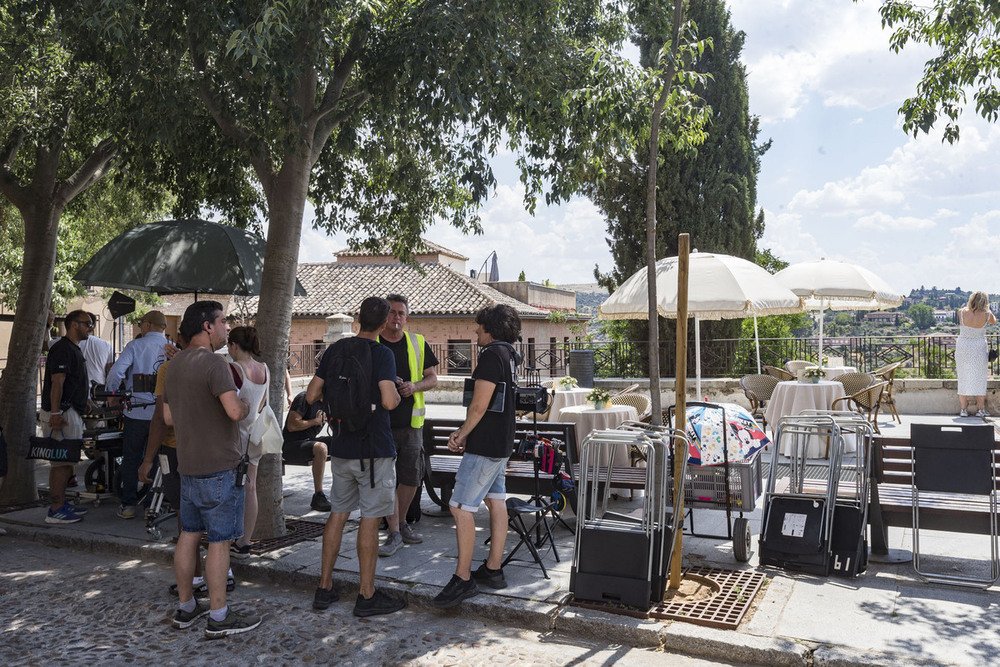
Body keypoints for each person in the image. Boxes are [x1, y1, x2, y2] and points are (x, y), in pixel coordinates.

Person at [163, 300, 260, 638]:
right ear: (206, 326)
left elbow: (168, 418)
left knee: (188, 536)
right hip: (220, 466)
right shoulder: (215, 365)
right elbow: (235, 411)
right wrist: (247, 402)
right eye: (222, 322)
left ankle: (187, 607)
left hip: (187, 466)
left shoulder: (173, 367)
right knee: (219, 542)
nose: (226, 329)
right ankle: (219, 615)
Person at [309, 296, 405, 617]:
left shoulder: (336, 350)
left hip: (342, 447)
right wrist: (393, 388)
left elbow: (311, 394)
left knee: (337, 513)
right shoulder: (382, 353)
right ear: (381, 324)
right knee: (370, 517)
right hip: (374, 450)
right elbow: (390, 403)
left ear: (357, 319)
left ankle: (324, 587)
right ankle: (366, 594)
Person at [433, 304, 521, 608]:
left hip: (484, 445)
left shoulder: (490, 356)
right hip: (501, 444)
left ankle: (463, 578)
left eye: (479, 327)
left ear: (491, 329)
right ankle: (493, 569)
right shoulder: (511, 355)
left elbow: (479, 406)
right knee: (496, 501)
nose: (475, 331)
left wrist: (461, 434)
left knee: (460, 507)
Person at [138, 332, 212, 596]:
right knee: (209, 519)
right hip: (205, 450)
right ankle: (209, 579)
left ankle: (195, 581)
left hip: (178, 450)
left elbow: (160, 418)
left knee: (187, 521)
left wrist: (147, 459)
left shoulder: (171, 368)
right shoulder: (217, 365)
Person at [377, 293, 438, 557]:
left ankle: (400, 524)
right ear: (384, 316)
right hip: (381, 424)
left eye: (401, 313)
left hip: (412, 424)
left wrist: (414, 386)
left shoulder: (417, 342)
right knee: (387, 480)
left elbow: (433, 378)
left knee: (411, 477)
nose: (396, 317)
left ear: (407, 317)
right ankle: (393, 532)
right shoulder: (374, 343)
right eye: (391, 312)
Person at [105, 310, 169, 519]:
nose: (140, 327)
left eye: (141, 324)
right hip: (161, 415)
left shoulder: (135, 346)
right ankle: (152, 505)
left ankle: (129, 504)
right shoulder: (172, 348)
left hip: (136, 413)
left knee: (131, 459)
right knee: (159, 460)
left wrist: (112, 396)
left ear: (148, 325)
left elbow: (116, 372)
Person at [39, 310, 94, 523]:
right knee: (60, 463)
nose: (90, 327)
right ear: (73, 325)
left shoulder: (72, 348)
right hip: (62, 413)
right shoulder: (62, 348)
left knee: (66, 461)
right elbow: (57, 382)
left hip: (71, 410)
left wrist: (84, 401)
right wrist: (55, 412)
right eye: (87, 323)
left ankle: (62, 503)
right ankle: (56, 508)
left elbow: (72, 381)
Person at [227, 326, 270, 559]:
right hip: (255, 435)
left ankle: (231, 537)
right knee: (250, 487)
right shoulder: (265, 369)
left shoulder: (234, 369)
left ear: (234, 345)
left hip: (235, 436)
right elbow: (261, 404)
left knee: (231, 488)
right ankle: (245, 542)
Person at [281, 391, 332, 512]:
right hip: (291, 445)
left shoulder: (328, 403)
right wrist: (315, 421)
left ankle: (346, 490)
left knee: (341, 442)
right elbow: (292, 425)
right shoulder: (304, 398)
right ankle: (318, 496)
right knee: (321, 448)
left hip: (309, 441)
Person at [956, 291, 997, 417]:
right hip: (978, 347)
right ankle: (980, 410)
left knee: (963, 377)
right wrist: (988, 309)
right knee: (980, 378)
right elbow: (994, 322)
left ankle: (963, 410)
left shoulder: (961, 312)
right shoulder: (987, 314)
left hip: (963, 347)